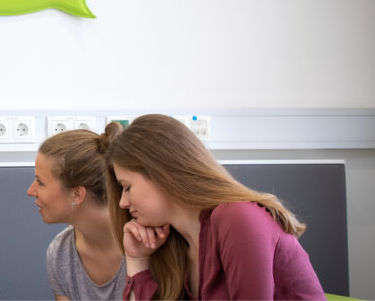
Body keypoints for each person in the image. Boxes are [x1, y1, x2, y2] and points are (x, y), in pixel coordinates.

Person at [103, 114, 324, 301]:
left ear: (164, 174)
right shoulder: (180, 246)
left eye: (127, 187)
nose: (123, 202)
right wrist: (137, 260)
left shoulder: (238, 218)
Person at [27, 124, 127, 301]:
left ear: (77, 194)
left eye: (40, 182)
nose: (31, 190)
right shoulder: (60, 253)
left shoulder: (147, 242)